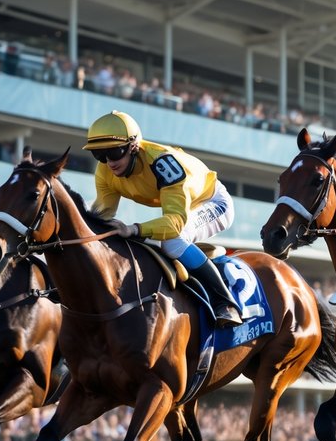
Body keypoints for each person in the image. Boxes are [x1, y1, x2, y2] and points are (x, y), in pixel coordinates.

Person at [84, 110, 242, 327]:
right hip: (183, 205)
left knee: (172, 241)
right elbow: (102, 214)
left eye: (114, 152)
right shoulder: (105, 171)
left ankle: (225, 302)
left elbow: (175, 222)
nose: (109, 162)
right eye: (100, 155)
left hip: (212, 202)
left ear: (133, 146)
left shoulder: (163, 164)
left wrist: (134, 229)